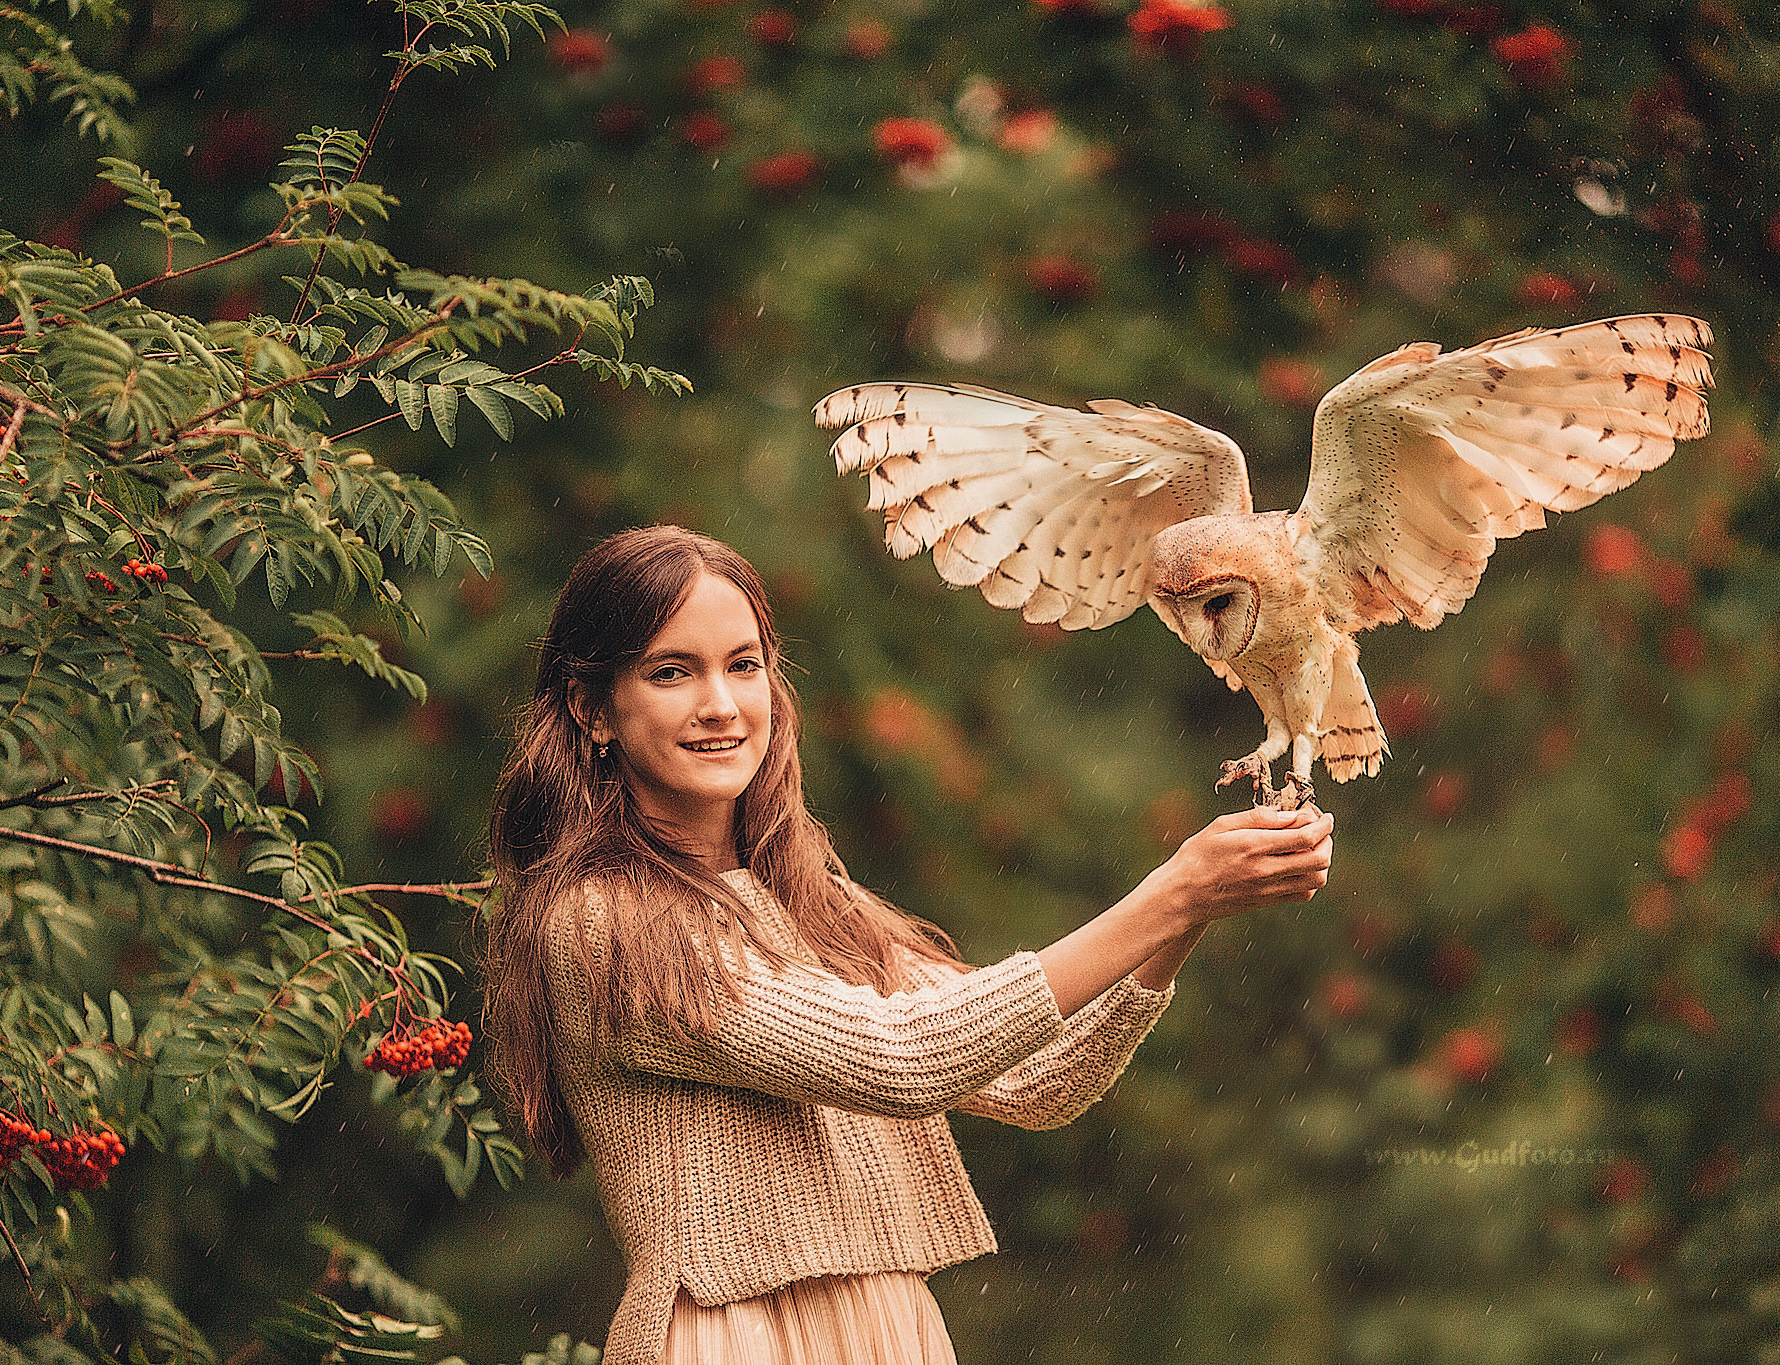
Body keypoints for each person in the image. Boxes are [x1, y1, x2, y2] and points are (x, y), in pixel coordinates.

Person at [478, 525, 1333, 1365]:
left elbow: (1042, 1080)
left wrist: (1192, 910)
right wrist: (1174, 890)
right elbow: (904, 1056)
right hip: (735, 1340)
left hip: (891, 1333)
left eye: (743, 665)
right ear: (592, 707)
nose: (721, 704)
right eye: (672, 671)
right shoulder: (603, 920)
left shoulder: (812, 901)